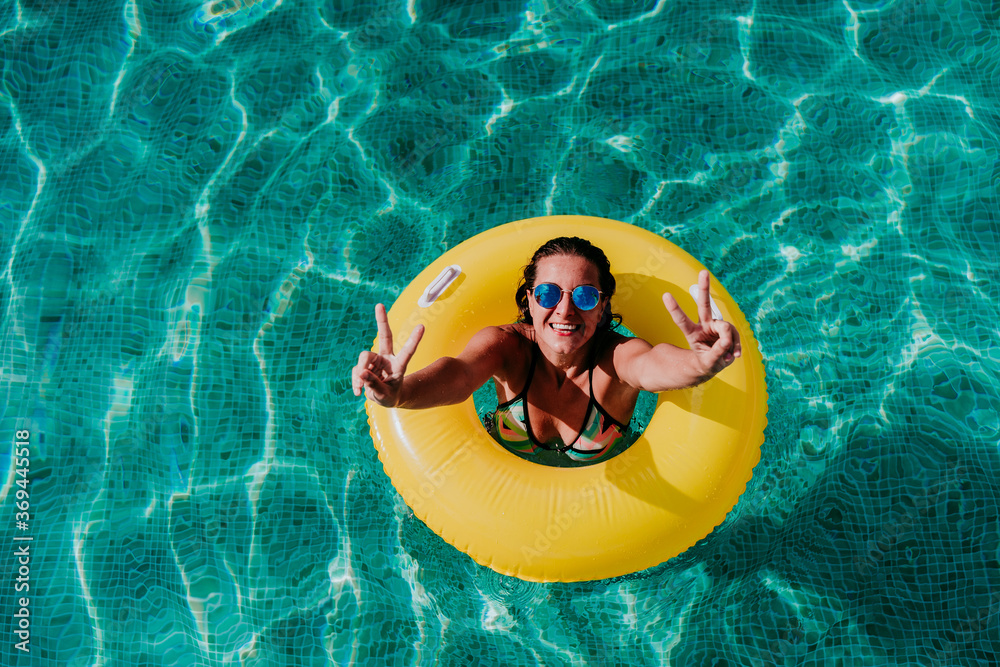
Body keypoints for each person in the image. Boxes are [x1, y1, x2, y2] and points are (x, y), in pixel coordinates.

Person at [351, 236, 741, 465]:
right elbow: (459, 374)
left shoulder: (617, 358)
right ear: (530, 299)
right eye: (549, 294)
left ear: (603, 306)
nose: (565, 310)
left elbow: (656, 366)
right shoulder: (506, 347)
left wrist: (703, 363)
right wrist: (399, 392)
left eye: (586, 296)